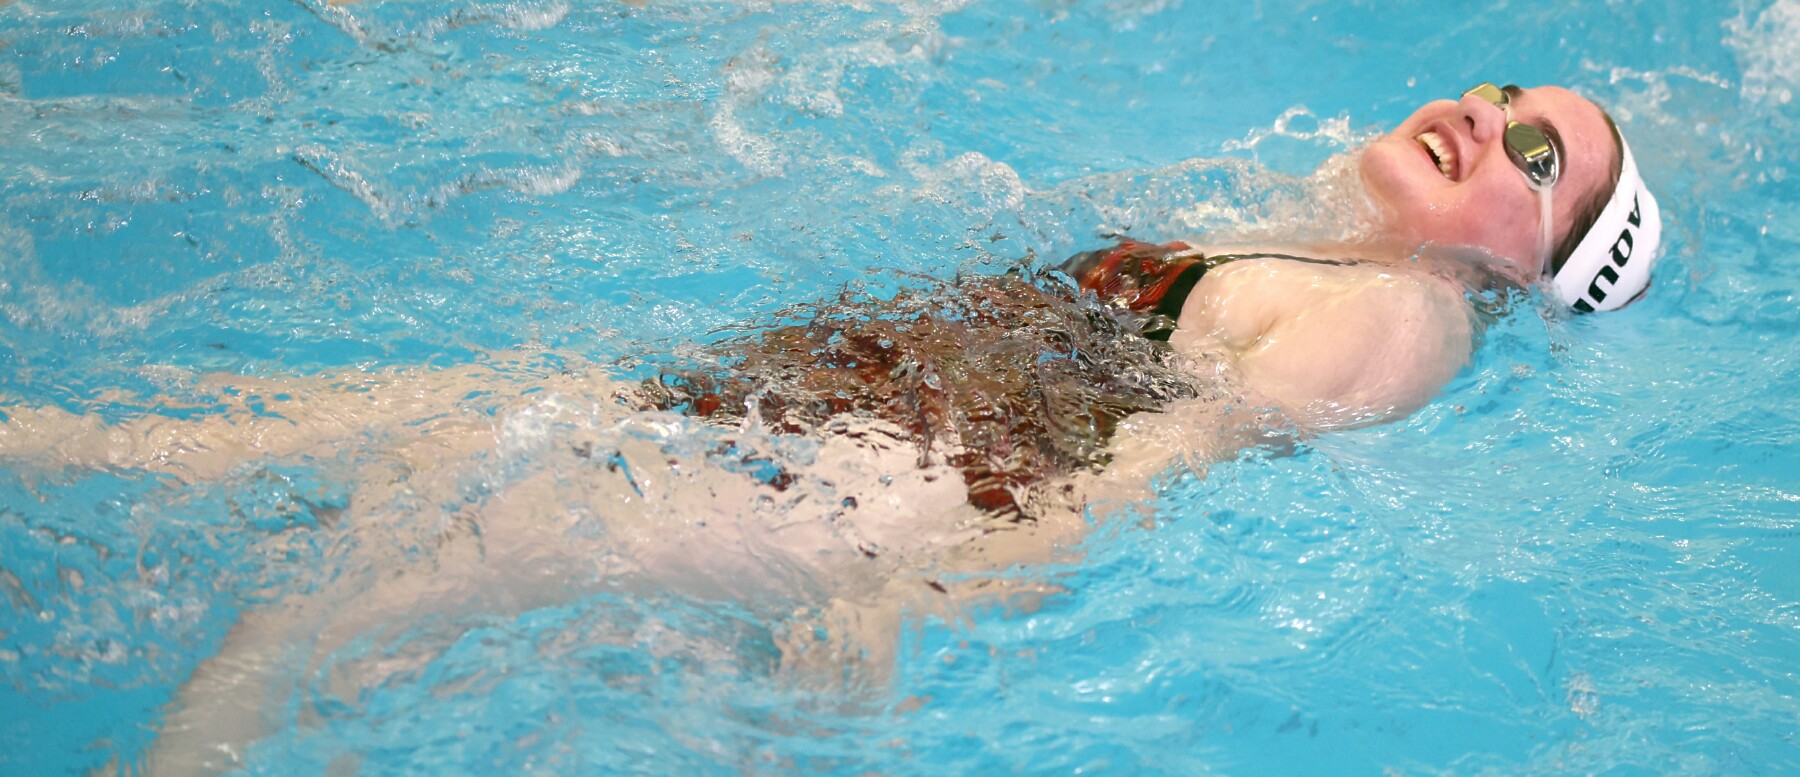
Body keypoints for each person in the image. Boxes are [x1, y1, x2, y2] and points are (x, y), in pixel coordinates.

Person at [0, 82, 1663, 775]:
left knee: (349, 592)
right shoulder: (1318, 240)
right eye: (1505, 93)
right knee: (404, 437)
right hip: (856, 413)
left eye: (1538, 160)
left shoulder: (1401, 317)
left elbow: (1170, 458)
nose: (1488, 118)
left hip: (893, 488)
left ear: (1542, 269)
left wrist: (931, 595)